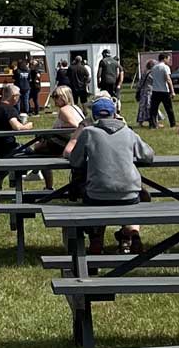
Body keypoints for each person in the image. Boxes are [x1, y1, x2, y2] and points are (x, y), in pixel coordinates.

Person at [65, 96, 154, 255]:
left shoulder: (88, 132)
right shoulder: (128, 132)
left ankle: (96, 238)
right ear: (114, 114)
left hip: (96, 194)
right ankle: (130, 234)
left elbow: (75, 161)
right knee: (143, 195)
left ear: (94, 116)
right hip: (129, 194)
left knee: (86, 196)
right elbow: (148, 155)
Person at [0, 84, 34, 196]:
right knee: (31, 153)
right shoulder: (9, 110)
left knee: (15, 154)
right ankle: (14, 179)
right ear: (14, 96)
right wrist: (28, 125)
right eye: (19, 96)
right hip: (7, 148)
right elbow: (18, 127)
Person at [31, 86, 86, 190]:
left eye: (56, 97)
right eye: (53, 96)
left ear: (64, 97)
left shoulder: (64, 110)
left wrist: (59, 127)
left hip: (67, 145)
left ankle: (47, 185)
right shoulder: (76, 107)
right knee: (40, 146)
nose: (54, 99)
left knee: (38, 151)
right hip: (77, 143)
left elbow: (76, 125)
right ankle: (37, 173)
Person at [148, 53, 176, 129]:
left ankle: (153, 124)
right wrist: (172, 91)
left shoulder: (154, 67)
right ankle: (172, 124)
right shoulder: (165, 67)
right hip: (164, 91)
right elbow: (168, 79)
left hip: (155, 91)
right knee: (169, 109)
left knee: (153, 109)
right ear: (164, 58)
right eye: (168, 59)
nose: (169, 60)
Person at [137, 59, 157, 127]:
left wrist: (138, 90)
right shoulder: (153, 73)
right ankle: (153, 122)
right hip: (150, 91)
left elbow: (140, 83)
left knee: (142, 107)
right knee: (150, 106)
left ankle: (140, 122)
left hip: (143, 91)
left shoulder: (144, 72)